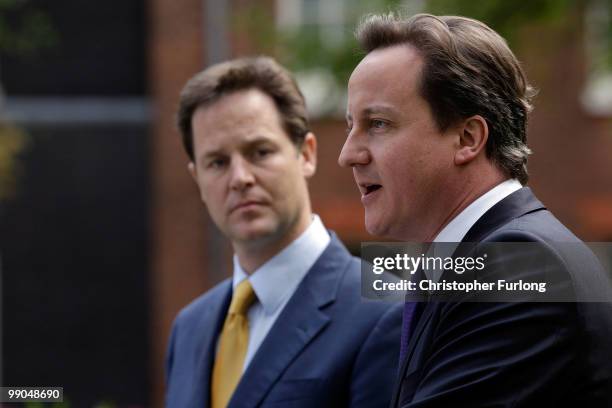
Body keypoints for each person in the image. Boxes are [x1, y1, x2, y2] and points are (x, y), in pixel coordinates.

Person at [339, 13, 612, 407]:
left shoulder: (520, 263)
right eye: (351, 126)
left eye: (378, 123)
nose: (349, 154)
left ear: (468, 138)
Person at [165, 56, 402, 408]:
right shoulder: (189, 328)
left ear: (306, 154)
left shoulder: (384, 309)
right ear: (197, 179)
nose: (240, 178)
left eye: (259, 152)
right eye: (217, 162)